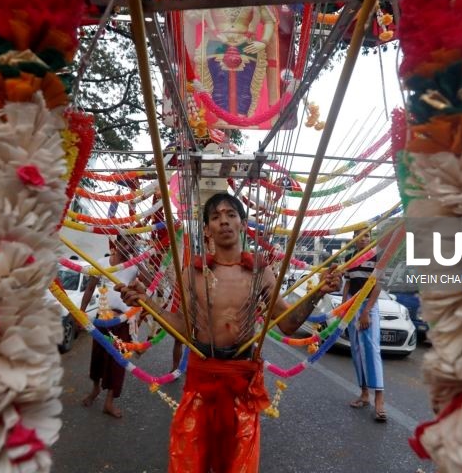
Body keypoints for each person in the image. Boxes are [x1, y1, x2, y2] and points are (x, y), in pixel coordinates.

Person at [117, 193, 340, 473]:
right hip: (201, 379)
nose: (224, 221)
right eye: (215, 216)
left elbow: (288, 323)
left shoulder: (261, 271)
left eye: (230, 214)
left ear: (243, 224)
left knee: (239, 466)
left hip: (241, 382)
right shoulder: (193, 273)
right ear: (207, 229)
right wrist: (146, 302)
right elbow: (183, 329)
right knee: (188, 463)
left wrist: (318, 292)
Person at [80, 236, 140, 418]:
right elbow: (90, 289)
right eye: (125, 242)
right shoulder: (101, 263)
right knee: (97, 357)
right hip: (102, 320)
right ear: (116, 243)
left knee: (117, 362)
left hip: (122, 321)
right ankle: (95, 390)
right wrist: (80, 313)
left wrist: (139, 258)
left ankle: (109, 402)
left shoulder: (133, 268)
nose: (127, 247)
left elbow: (144, 290)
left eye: (132, 244)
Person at [343, 230, 386, 422]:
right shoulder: (349, 257)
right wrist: (344, 308)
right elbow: (347, 284)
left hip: (369, 305)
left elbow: (377, 286)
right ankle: (364, 394)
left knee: (372, 349)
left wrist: (367, 311)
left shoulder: (378, 255)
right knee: (357, 350)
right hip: (352, 306)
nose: (364, 239)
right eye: (360, 235)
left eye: (367, 235)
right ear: (354, 239)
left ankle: (379, 400)